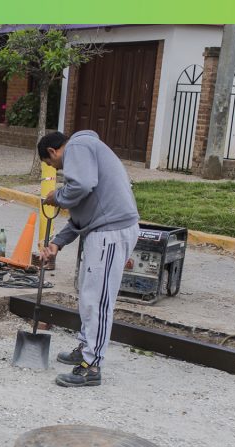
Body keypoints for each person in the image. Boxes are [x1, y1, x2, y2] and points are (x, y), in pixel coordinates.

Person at [37, 130, 139, 388]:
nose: (57, 169)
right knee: (87, 294)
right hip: (102, 231)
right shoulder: (85, 153)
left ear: (52, 151)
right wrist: (57, 243)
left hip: (110, 233)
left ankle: (92, 366)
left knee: (98, 300)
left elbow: (81, 186)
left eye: (52, 164)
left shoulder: (77, 146)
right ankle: (85, 349)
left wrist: (57, 196)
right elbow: (81, 217)